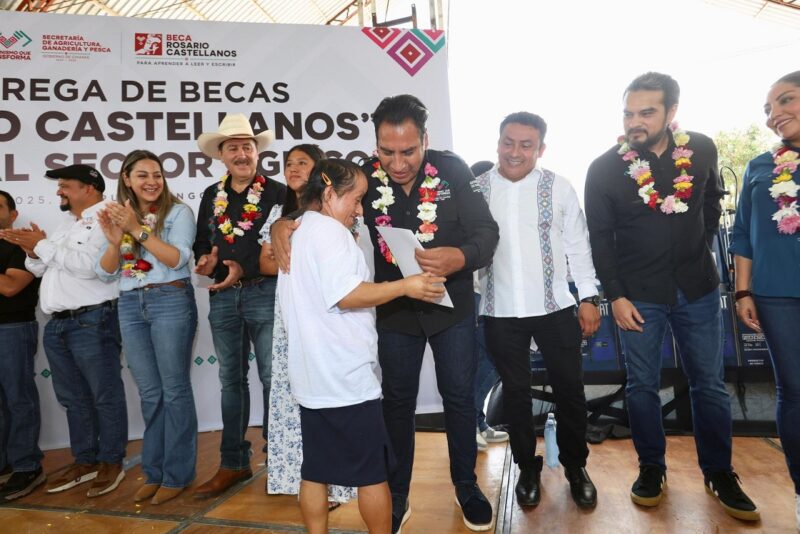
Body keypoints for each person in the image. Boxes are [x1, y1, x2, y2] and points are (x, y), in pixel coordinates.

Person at [272, 95, 500, 533]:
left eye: (408, 151)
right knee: (396, 403)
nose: (397, 163)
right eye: (387, 151)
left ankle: (466, 485)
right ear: (375, 144)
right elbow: (320, 208)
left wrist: (460, 256)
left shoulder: (452, 170)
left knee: (459, 397)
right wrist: (282, 225)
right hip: (394, 309)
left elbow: (487, 233)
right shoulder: (364, 177)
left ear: (425, 140)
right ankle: (396, 494)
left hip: (450, 306)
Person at [584, 72, 759, 521]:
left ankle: (719, 472)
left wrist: (698, 249)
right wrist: (615, 296)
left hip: (698, 289)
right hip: (638, 296)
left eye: (646, 112)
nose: (634, 122)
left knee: (709, 385)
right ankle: (651, 468)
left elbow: (711, 204)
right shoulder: (604, 168)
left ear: (671, 112)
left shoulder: (700, 149)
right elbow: (600, 240)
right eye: (628, 113)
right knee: (642, 385)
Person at [279, 158, 445, 534]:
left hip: (312, 377)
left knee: (315, 471)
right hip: (345, 376)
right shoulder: (330, 233)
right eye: (355, 199)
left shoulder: (300, 229)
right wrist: (406, 286)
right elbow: (347, 295)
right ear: (328, 193)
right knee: (373, 473)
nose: (359, 210)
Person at [477, 112, 600, 509]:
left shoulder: (558, 187)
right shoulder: (476, 190)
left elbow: (578, 245)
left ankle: (576, 467)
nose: (515, 152)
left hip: (554, 308)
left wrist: (588, 297)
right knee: (515, 394)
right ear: (498, 143)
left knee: (570, 390)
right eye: (508, 142)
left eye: (526, 145)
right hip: (499, 310)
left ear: (540, 149)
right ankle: (526, 468)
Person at [1, 164, 128, 498]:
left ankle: (112, 461)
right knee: (73, 398)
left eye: (65, 185)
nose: (59, 191)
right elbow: (40, 267)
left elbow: (91, 268)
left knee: (104, 395)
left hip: (93, 319)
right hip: (57, 324)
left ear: (89, 188)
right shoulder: (66, 224)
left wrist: (42, 245)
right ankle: (85, 460)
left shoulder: (109, 217)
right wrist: (33, 250)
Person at [96, 150, 198, 505]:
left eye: (157, 174)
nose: (152, 181)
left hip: (170, 298)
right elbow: (105, 271)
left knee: (174, 390)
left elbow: (178, 258)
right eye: (142, 175)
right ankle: (154, 473)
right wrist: (115, 241)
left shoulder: (179, 212)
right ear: (126, 179)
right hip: (129, 303)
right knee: (151, 393)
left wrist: (136, 230)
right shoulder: (119, 215)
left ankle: (177, 474)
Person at [192, 113, 286, 499]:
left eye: (248, 146)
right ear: (221, 155)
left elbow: (283, 248)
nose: (242, 154)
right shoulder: (210, 195)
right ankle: (233, 463)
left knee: (272, 378)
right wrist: (206, 262)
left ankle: (280, 463)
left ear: (257, 152)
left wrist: (242, 268)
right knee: (231, 381)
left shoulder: (279, 193)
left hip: (265, 292)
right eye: (233, 148)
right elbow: (202, 242)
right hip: (223, 298)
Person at [260, 144, 357, 507]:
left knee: (331, 397)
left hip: (330, 315)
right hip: (292, 315)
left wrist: (294, 252)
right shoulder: (280, 213)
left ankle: (338, 482)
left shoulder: (343, 211)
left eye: (303, 162)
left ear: (321, 172)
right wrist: (285, 239)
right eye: (288, 163)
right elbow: (266, 265)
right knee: (295, 397)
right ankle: (304, 479)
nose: (293, 168)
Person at [729, 70, 800, 529]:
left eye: (786, 100)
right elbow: (742, 234)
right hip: (777, 295)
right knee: (794, 391)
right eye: (769, 108)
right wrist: (742, 290)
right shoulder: (760, 165)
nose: (775, 114)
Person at [0, 191, 44, 501]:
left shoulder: (23, 245)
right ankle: (5, 464)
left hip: (12, 328)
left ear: (13, 215)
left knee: (18, 399)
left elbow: (11, 286)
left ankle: (28, 466)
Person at [468, 161, 508, 453]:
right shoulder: (468, 211)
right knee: (488, 360)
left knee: (492, 361)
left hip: (500, 297)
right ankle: (469, 421)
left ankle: (477, 421)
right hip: (474, 295)